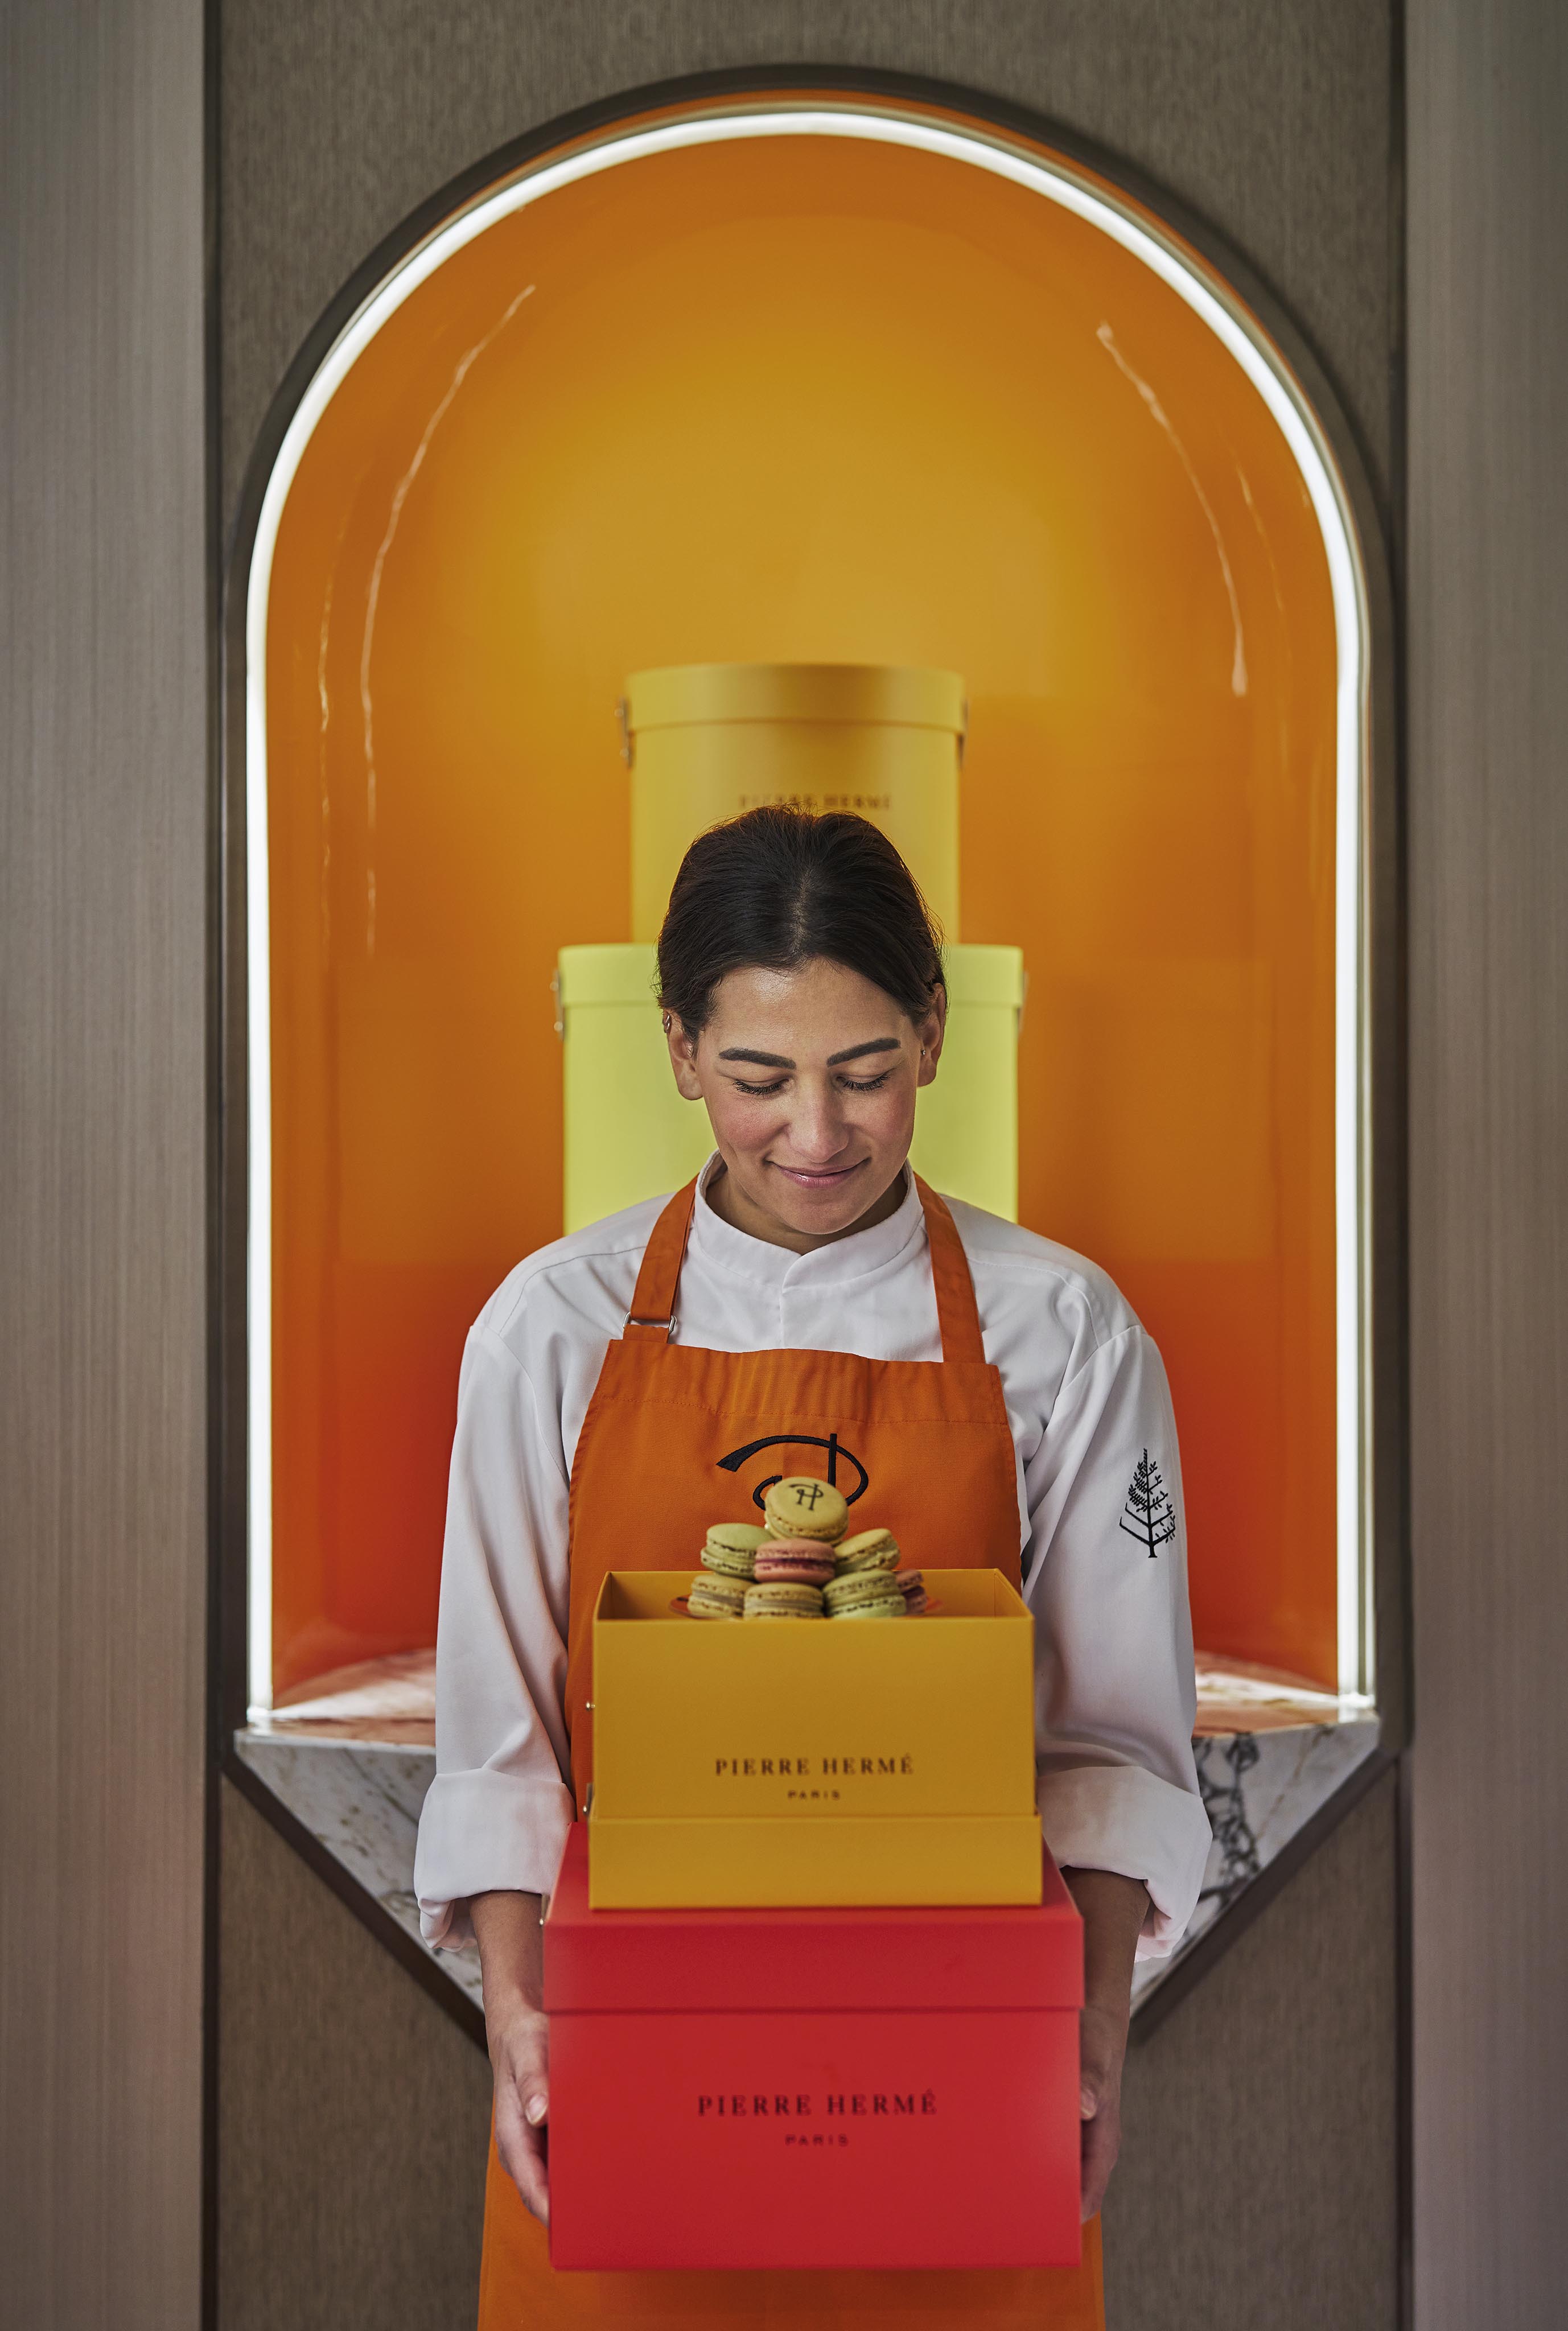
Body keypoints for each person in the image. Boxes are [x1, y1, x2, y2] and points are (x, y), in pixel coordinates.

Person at [413, 808, 1211, 2330]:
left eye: (865, 1071)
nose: (817, 1135)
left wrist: (1090, 2025)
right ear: (675, 1051)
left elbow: (1111, 1744)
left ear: (930, 1033)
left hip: (962, 2050)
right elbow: (502, 1741)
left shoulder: (1065, 1329)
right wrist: (524, 2016)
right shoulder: (552, 1327)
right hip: (631, 2040)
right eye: (757, 1078)